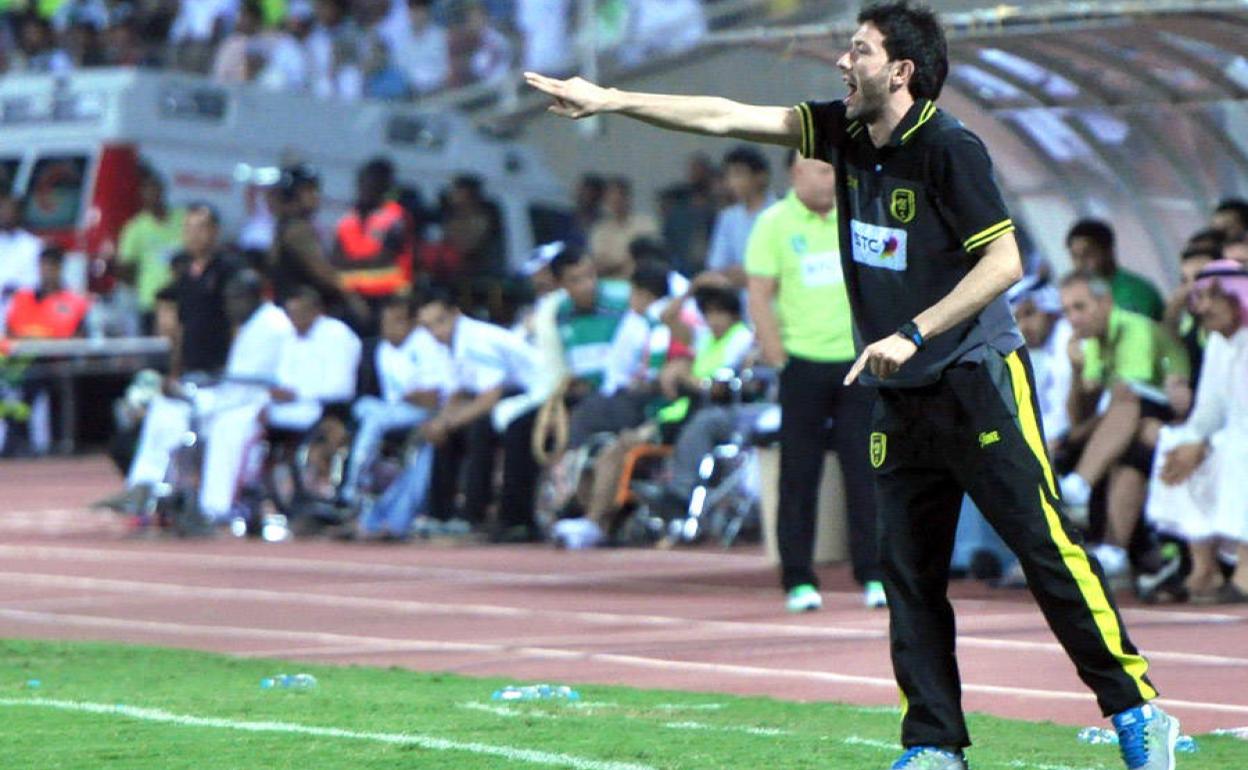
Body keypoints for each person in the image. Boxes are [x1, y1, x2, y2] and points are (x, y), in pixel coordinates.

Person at [525, 3, 1178, 768]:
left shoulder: (949, 147)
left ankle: (1137, 710)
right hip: (897, 392)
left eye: (858, 51)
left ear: (899, 70)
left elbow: (1001, 265)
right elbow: (723, 113)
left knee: (1046, 550)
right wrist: (610, 100)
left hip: (975, 379)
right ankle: (935, 746)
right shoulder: (838, 130)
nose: (842, 62)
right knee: (907, 573)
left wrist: (913, 331)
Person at [746, 150, 883, 611]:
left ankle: (873, 573)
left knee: (864, 473)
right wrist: (777, 356)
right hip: (801, 364)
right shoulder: (773, 224)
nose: (831, 178)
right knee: (799, 475)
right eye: (823, 169)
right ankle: (799, 578)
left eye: (835, 169)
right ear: (795, 172)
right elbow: (760, 295)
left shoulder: (856, 214)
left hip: (854, 363)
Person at [1057, 272, 1191, 583]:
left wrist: (1073, 437)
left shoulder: (1135, 329)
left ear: (1105, 303)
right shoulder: (1092, 342)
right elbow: (1081, 412)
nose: (1073, 318)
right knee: (1129, 445)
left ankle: (1079, 484)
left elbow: (1132, 394)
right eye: (1067, 311)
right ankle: (1114, 550)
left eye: (1080, 307)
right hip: (1135, 422)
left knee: (1126, 407)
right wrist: (1077, 373)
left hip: (1168, 413)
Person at [1145, 260, 1248, 603]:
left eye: (1209, 297)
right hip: (1232, 438)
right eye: (1197, 298)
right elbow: (1208, 410)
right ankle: (1204, 570)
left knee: (1236, 449)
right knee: (1173, 441)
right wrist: (1194, 441)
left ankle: (1246, 573)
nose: (1200, 308)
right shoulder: (1220, 342)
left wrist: (1203, 446)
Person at [416, 293, 541, 541]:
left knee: (478, 428)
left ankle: (475, 513)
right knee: (444, 434)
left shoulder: (476, 340)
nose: (435, 331)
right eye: (428, 326)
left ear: (455, 314)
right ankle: (440, 513)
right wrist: (441, 423)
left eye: (440, 322)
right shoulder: (446, 344)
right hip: (506, 397)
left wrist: (450, 422)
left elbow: (490, 396)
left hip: (534, 393)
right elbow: (457, 392)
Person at [340, 296, 448, 505]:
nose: (389, 329)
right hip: (395, 409)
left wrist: (414, 397)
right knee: (363, 407)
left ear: (411, 323)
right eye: (385, 323)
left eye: (396, 322)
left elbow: (434, 398)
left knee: (374, 420)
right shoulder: (382, 349)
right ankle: (364, 474)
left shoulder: (426, 344)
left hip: (426, 413)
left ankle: (353, 486)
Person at [3, 247, 92, 455]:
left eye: (52, 266)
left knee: (65, 385)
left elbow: (79, 336)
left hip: (58, 362)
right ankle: (17, 442)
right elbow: (10, 331)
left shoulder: (75, 301)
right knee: (13, 386)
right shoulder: (23, 297)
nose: (47, 271)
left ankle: (64, 444)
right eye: (43, 266)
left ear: (61, 268)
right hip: (23, 364)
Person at [331, 157, 413, 327]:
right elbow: (336, 258)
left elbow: (384, 259)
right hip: (350, 299)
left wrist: (348, 264)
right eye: (362, 183)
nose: (365, 189)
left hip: (388, 299)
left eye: (372, 184)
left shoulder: (395, 217)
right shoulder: (348, 219)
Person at [116, 169, 186, 325]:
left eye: (154, 189)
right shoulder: (135, 228)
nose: (151, 195)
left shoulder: (182, 218)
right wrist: (143, 282)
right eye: (146, 191)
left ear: (162, 190)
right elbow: (125, 267)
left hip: (183, 298)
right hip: (151, 302)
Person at [1066, 219, 1165, 321]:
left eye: (1088, 254)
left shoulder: (1132, 291)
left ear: (1108, 251)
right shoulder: (1089, 292)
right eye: (1075, 256)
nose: (1080, 263)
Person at [707, 145, 774, 288]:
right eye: (729, 176)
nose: (732, 182)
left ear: (760, 176)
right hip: (739, 303)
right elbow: (717, 269)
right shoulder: (727, 218)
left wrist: (748, 273)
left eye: (738, 174)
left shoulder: (780, 213)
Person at [587, 177, 658, 279]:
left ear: (627, 198)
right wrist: (625, 262)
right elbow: (599, 263)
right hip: (608, 282)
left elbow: (648, 258)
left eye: (619, 196)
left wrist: (616, 263)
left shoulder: (646, 224)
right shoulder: (599, 230)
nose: (615, 202)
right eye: (610, 198)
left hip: (641, 282)